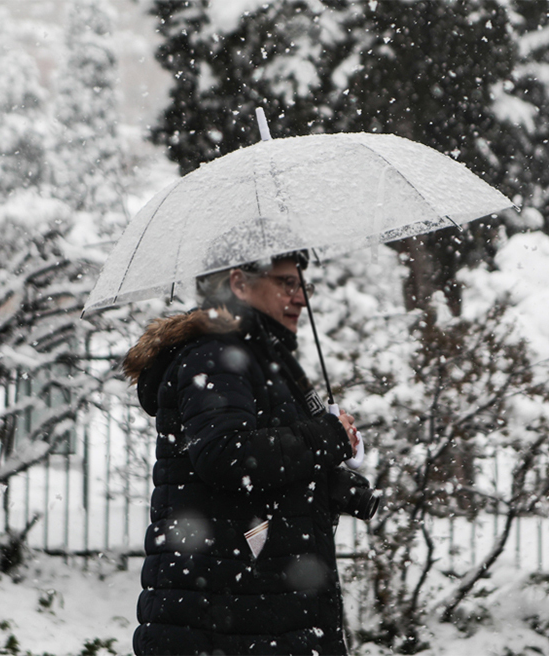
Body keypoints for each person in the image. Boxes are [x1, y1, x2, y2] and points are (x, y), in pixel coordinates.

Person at [124, 250, 378, 655]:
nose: (300, 298)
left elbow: (263, 462)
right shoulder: (216, 356)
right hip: (228, 617)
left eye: (303, 285)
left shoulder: (258, 358)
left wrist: (329, 483)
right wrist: (325, 437)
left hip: (255, 609)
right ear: (239, 283)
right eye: (286, 283)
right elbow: (225, 455)